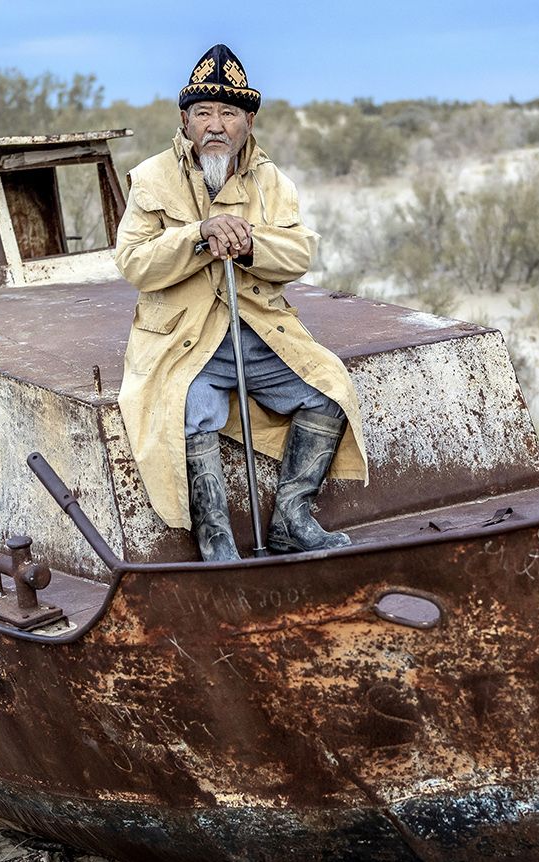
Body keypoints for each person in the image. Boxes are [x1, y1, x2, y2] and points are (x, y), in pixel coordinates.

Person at [113, 44, 369, 562]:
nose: (215, 125)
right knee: (189, 406)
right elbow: (134, 262)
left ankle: (292, 520)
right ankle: (216, 540)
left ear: (249, 122)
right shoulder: (152, 178)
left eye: (229, 113)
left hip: (258, 330)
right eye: (203, 112)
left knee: (329, 389)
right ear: (184, 120)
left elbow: (298, 254)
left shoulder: (272, 181)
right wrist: (199, 235)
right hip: (185, 337)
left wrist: (250, 243)